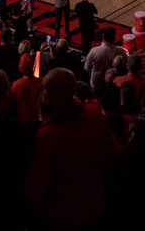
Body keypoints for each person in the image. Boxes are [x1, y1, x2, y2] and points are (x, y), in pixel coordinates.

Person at [25, 68, 120, 230]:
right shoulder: (95, 118)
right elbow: (114, 154)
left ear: (50, 96)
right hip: (94, 210)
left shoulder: (46, 135)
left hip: (59, 218)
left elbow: (37, 189)